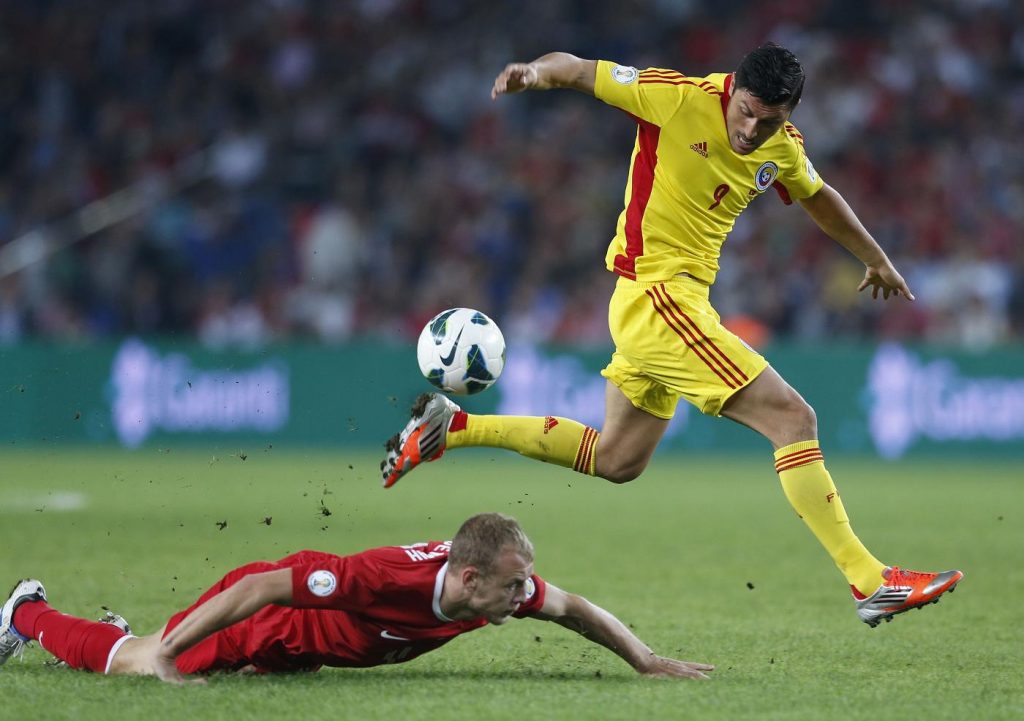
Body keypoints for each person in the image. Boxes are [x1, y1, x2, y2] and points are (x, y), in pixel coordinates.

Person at [379, 44, 963, 627]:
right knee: (793, 419)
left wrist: (876, 258)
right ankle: (869, 580)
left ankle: (452, 428)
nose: (752, 129)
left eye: (771, 120)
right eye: (746, 111)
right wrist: (534, 73)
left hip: (662, 307)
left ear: (792, 113)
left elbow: (818, 197)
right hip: (659, 297)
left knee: (618, 459)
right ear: (733, 89)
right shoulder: (677, 96)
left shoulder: (783, 147)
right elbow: (579, 70)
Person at [0, 513, 712, 683]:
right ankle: (25, 611)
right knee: (139, 662)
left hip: (304, 653)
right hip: (266, 622)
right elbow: (255, 587)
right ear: (469, 581)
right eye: (514, 584)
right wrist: (171, 651)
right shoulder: (381, 577)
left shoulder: (496, 591)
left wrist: (647, 660)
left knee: (173, 656)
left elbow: (577, 607)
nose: (526, 595)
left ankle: (132, 631)